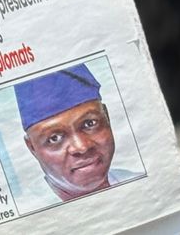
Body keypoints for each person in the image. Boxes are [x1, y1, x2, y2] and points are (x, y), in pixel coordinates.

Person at [15, 64, 139, 202]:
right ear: (32, 148)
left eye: (90, 124)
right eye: (54, 138)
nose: (82, 147)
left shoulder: (140, 183)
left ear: (107, 118)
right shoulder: (30, 208)